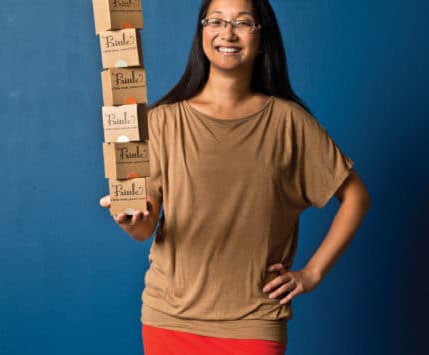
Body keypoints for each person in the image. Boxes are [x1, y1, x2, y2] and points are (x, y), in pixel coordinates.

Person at [100, 0, 371, 354]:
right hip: (169, 319)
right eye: (216, 21)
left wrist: (311, 274)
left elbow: (356, 198)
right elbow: (143, 228)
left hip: (254, 323)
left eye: (243, 23)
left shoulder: (289, 123)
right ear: (201, 32)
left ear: (262, 37)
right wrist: (128, 217)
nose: (227, 33)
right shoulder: (162, 122)